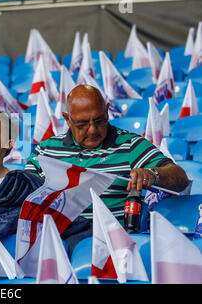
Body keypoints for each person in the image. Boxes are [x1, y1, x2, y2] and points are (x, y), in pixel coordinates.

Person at [25, 84, 190, 254]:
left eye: (99, 121)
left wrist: (152, 174)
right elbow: (24, 197)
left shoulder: (130, 145)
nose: (92, 130)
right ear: (67, 119)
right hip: (55, 240)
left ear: (107, 111)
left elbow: (180, 178)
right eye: (82, 124)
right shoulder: (45, 151)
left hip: (113, 243)